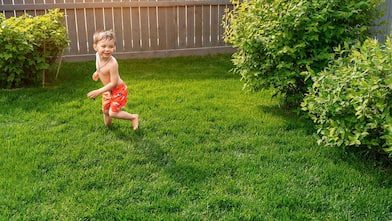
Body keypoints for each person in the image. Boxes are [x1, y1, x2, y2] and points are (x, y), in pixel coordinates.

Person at [87, 29, 139, 130]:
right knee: (105, 111)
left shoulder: (112, 63)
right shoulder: (98, 56)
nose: (107, 49)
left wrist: (98, 91)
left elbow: (114, 83)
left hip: (118, 90)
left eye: (111, 46)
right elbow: (100, 66)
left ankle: (133, 117)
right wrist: (97, 72)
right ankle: (109, 127)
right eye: (103, 46)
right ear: (95, 47)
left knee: (113, 113)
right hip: (108, 90)